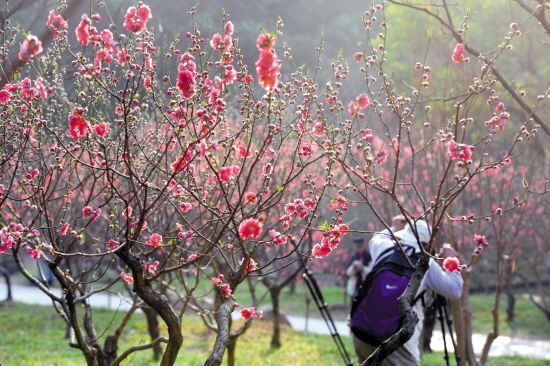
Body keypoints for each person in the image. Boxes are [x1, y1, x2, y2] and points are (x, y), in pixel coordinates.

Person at [352, 220, 463, 366]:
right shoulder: (426, 263)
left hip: (362, 332)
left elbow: (376, 238)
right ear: (427, 244)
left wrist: (394, 227)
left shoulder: (385, 248)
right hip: (398, 343)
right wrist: (451, 260)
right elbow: (455, 290)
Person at [346, 238, 371, 302]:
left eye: (360, 247)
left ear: (363, 246)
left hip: (366, 284)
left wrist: (363, 269)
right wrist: (353, 267)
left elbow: (372, 271)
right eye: (358, 247)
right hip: (355, 285)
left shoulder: (369, 256)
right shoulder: (353, 257)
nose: (359, 249)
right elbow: (348, 273)